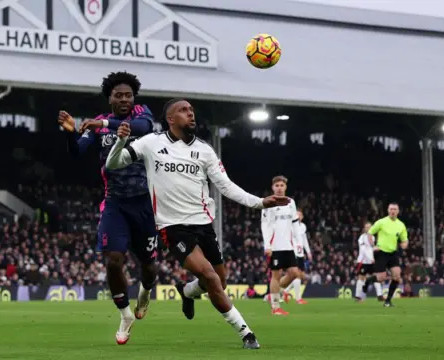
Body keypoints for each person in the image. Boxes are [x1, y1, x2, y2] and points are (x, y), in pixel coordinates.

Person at [106, 98, 290, 349]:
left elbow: (225, 186)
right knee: (211, 278)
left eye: (191, 110)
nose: (190, 114)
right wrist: (119, 142)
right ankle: (246, 333)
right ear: (170, 119)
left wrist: (260, 202)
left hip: (203, 224)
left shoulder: (204, 150)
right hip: (173, 227)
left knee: (219, 282)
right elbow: (112, 164)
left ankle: (188, 291)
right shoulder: (151, 143)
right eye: (183, 111)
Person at [57, 72, 158, 345]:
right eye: (119, 95)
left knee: (149, 268)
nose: (125, 99)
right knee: (113, 261)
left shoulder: (141, 114)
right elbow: (77, 151)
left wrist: (102, 122)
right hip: (114, 203)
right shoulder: (99, 127)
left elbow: (143, 128)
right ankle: (125, 315)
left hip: (144, 203)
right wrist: (69, 135)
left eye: (128, 95)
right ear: (110, 98)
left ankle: (145, 294)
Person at [260, 176, 303, 315]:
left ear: (285, 187)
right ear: (273, 187)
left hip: (289, 246)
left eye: (281, 185)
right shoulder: (268, 203)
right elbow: (265, 226)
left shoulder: (291, 202)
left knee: (294, 273)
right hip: (275, 246)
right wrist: (267, 245)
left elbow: (295, 223)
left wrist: (299, 242)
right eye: (277, 185)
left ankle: (274, 294)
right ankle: (275, 306)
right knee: (276, 275)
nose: (279, 187)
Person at [361, 203, 408, 307]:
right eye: (391, 209)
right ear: (388, 210)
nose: (393, 211)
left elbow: (405, 240)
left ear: (398, 211)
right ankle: (368, 281)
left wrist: (403, 245)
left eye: (395, 209)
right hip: (381, 252)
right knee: (381, 278)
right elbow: (370, 233)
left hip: (393, 253)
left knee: (396, 277)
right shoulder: (381, 222)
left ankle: (388, 301)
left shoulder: (401, 225)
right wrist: (373, 246)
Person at [284, 209, 311, 305]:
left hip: (300, 254)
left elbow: (304, 240)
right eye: (297, 214)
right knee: (297, 275)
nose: (299, 216)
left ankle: (285, 291)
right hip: (293, 252)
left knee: (301, 276)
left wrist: (308, 252)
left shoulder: (303, 226)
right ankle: (298, 298)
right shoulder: (290, 226)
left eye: (300, 214)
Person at [353, 222, 383, 302]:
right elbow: (363, 250)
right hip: (363, 261)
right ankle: (357, 296)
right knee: (361, 278)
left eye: (370, 227)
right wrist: (371, 258)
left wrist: (376, 249)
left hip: (371, 261)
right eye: (367, 227)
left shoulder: (372, 237)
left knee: (376, 277)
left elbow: (370, 249)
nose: (368, 228)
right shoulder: (362, 238)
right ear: (364, 228)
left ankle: (380, 295)